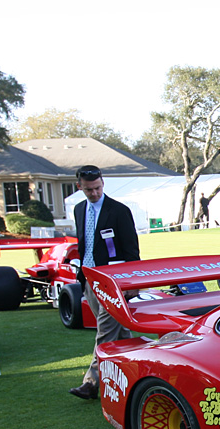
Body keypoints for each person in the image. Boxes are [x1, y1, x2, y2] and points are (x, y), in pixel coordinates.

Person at [68, 165, 140, 400]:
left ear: (103, 183)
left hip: (114, 281)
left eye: (97, 188)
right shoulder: (79, 209)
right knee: (121, 334)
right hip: (89, 278)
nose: (94, 193)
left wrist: (132, 283)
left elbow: (131, 249)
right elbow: (84, 244)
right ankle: (135, 375)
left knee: (105, 331)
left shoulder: (119, 211)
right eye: (89, 189)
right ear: (79, 186)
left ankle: (90, 381)